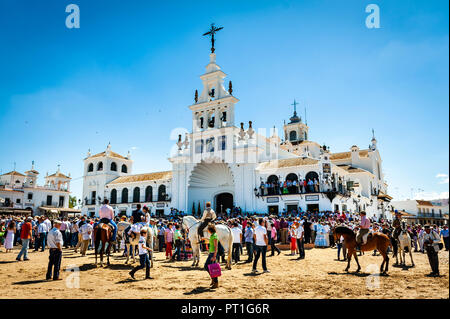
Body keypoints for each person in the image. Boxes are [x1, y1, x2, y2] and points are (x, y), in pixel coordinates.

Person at [204, 224, 219, 289]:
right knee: (208, 267)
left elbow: (216, 246)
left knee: (213, 269)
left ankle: (215, 282)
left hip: (213, 254)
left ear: (210, 230)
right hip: (211, 253)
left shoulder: (214, 236)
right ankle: (213, 279)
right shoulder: (212, 235)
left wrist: (214, 256)